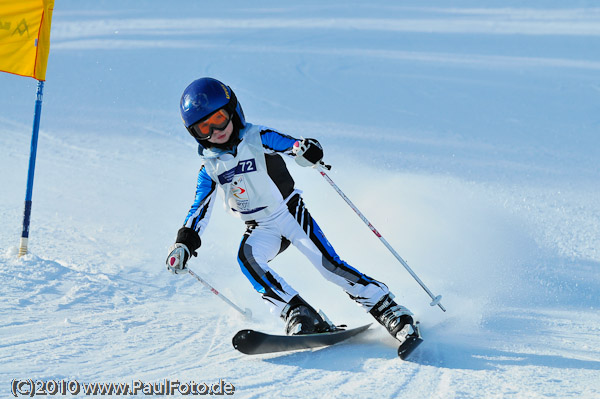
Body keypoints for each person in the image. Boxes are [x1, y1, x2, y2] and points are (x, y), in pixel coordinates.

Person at [166, 77, 416, 341]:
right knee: (247, 259)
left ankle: (386, 307)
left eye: (218, 118)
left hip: (289, 212)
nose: (215, 131)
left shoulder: (256, 137)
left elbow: (290, 145)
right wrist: (184, 244)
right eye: (204, 127)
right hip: (259, 226)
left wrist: (305, 149)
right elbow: (199, 210)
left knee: (327, 266)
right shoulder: (209, 168)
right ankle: (296, 312)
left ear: (232, 111)